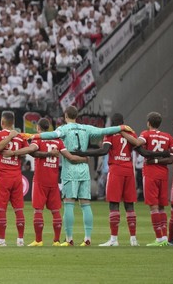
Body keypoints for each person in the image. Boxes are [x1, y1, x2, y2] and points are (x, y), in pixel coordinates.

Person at [31, 105, 130, 246]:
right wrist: (121, 128)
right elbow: (105, 130)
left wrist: (34, 136)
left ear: (66, 116)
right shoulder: (85, 128)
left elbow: (50, 135)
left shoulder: (63, 129)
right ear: (76, 116)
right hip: (84, 168)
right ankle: (87, 238)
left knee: (69, 204)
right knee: (85, 204)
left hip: (70, 169)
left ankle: (69, 239)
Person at [72, 112, 139, 246]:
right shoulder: (131, 133)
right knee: (129, 205)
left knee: (114, 204)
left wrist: (83, 153)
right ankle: (133, 239)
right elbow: (138, 148)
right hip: (128, 170)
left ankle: (114, 239)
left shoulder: (110, 134)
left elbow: (103, 151)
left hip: (116, 170)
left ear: (112, 124)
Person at [0, 110, 37, 247]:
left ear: (2, 122)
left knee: (1, 208)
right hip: (17, 177)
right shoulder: (19, 137)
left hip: (3, 178)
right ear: (13, 123)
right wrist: (16, 153)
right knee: (18, 209)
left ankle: (2, 240)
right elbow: (30, 149)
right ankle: (20, 240)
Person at [120, 111, 173, 246]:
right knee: (162, 207)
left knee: (154, 207)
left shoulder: (146, 134)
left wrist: (121, 131)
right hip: (163, 173)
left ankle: (159, 238)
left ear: (148, 123)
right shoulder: (167, 136)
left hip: (150, 173)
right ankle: (165, 237)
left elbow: (136, 142)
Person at [28, 118, 86, 246]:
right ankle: (56, 240)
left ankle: (38, 240)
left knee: (38, 210)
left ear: (38, 128)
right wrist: (84, 159)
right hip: (53, 181)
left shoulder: (38, 139)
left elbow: (32, 152)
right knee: (55, 211)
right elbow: (70, 157)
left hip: (40, 179)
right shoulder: (58, 142)